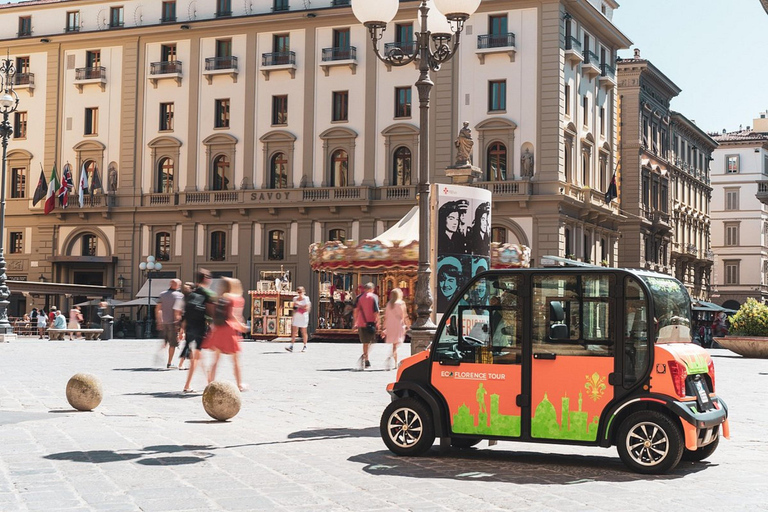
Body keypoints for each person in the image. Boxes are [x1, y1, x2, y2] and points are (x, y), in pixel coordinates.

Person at [202, 277, 248, 391]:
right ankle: (239, 384)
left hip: (218, 329)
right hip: (229, 330)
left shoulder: (220, 298)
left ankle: (210, 382)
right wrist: (241, 326)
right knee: (235, 360)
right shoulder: (236, 299)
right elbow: (233, 315)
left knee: (215, 359)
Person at [183, 269, 216, 394]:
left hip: (190, 328)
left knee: (197, 357)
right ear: (206, 279)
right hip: (200, 328)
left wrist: (182, 329)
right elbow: (212, 311)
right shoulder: (207, 293)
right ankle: (206, 383)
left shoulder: (192, 292)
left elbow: (185, 311)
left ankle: (204, 382)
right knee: (198, 357)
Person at [156, 279, 184, 369]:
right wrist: (179, 326)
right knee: (173, 343)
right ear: (177, 285)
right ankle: (169, 362)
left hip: (164, 322)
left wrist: (159, 321)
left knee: (166, 341)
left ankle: (159, 354)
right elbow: (178, 311)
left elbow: (158, 309)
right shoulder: (179, 296)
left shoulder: (162, 294)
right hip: (173, 322)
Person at [354, 282, 380, 370]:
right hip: (371, 322)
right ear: (372, 289)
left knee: (365, 342)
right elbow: (376, 311)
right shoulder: (374, 297)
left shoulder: (359, 298)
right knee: (372, 341)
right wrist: (378, 323)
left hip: (361, 322)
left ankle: (366, 357)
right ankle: (365, 357)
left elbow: (356, 311)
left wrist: (355, 323)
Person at [382, 288, 409, 370]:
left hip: (390, 326)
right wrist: (408, 324)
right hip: (398, 325)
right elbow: (404, 315)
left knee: (394, 344)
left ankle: (393, 359)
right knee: (397, 344)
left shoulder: (389, 304)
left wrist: (384, 327)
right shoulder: (401, 303)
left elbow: (386, 317)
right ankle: (393, 359)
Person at [286, 286, 311, 353]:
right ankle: (291, 345)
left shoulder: (306, 298)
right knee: (294, 331)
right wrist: (293, 314)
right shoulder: (295, 298)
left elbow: (306, 308)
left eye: (300, 292)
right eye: (298, 292)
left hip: (303, 316)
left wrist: (299, 305)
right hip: (297, 316)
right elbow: (294, 307)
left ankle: (305, 345)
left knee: (303, 331)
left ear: (303, 292)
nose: (299, 293)